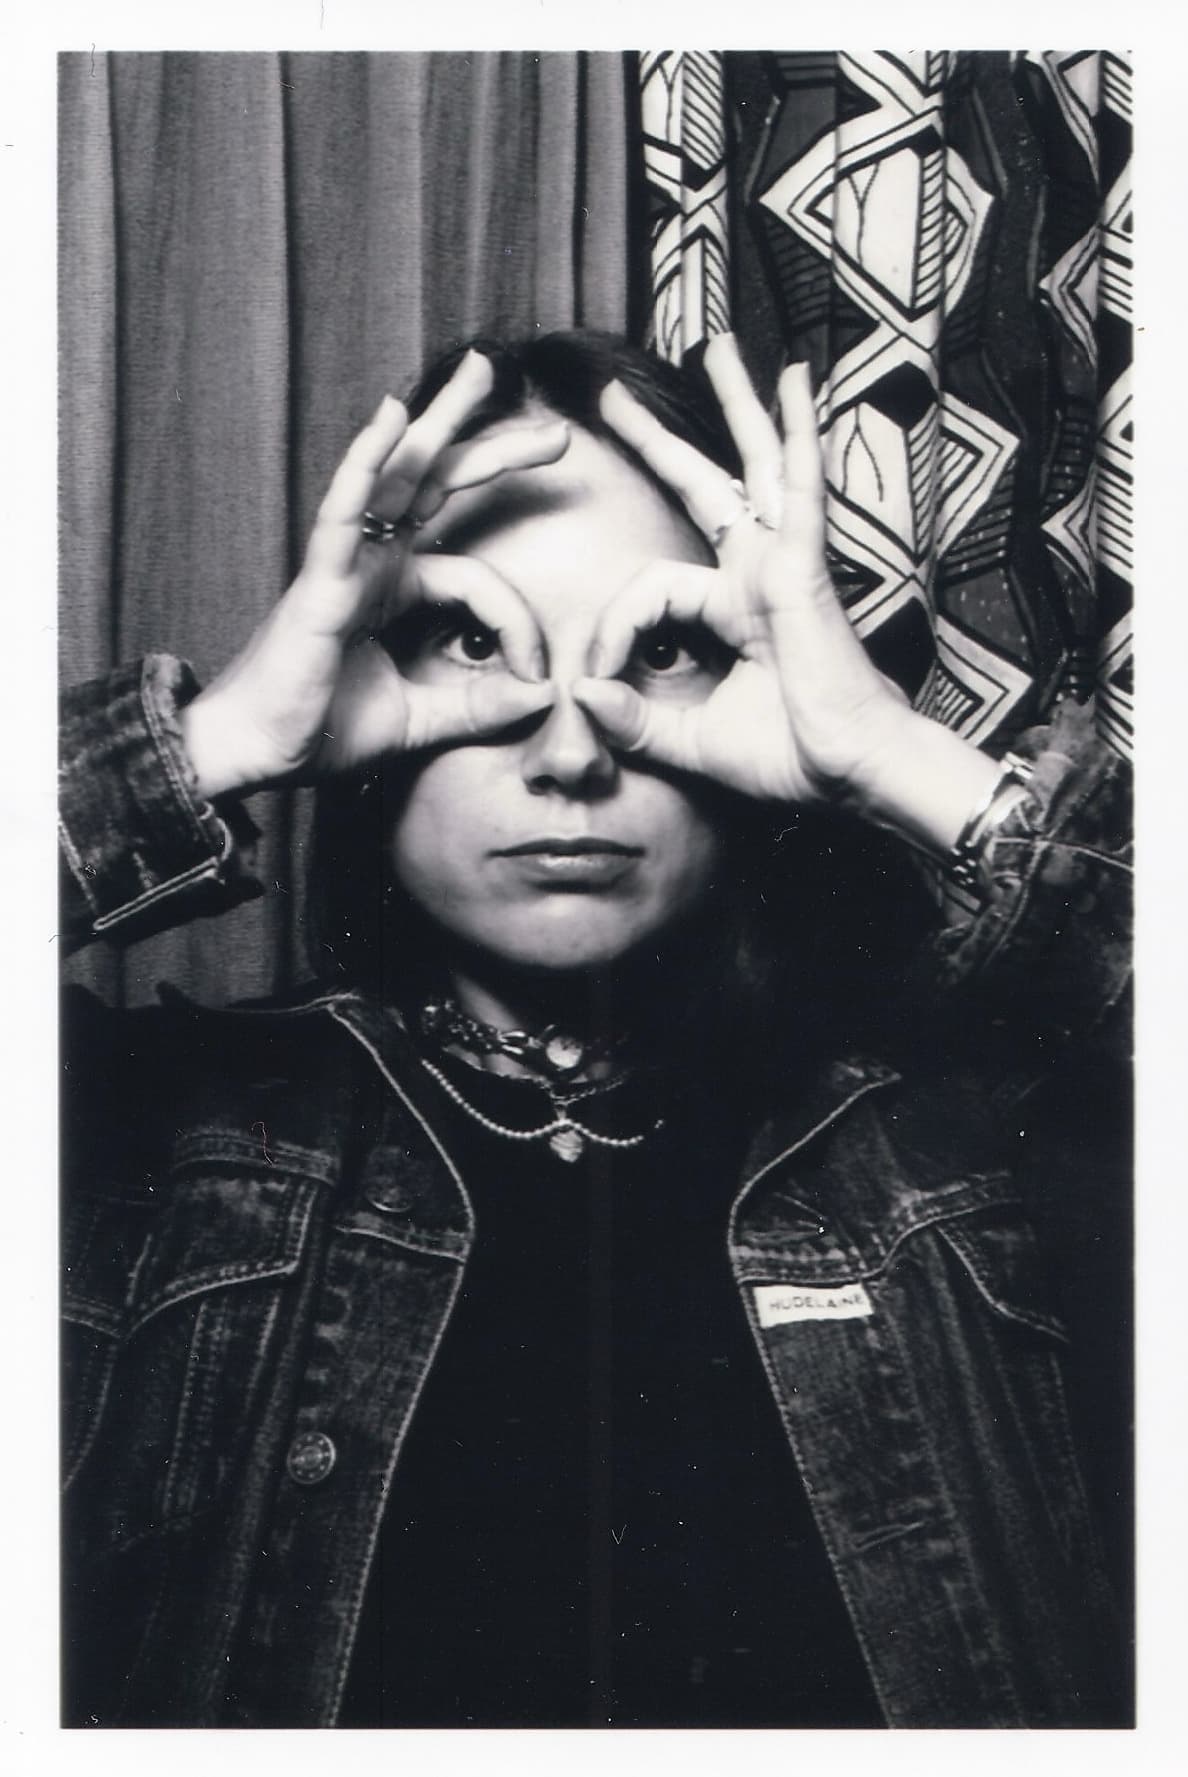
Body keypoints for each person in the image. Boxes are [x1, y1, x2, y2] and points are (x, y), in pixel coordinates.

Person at [59, 331, 1132, 1730]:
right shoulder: (148, 1140)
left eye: (663, 648)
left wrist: (888, 753)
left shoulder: (963, 1142)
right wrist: (218, 742)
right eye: (470, 639)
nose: (570, 752)